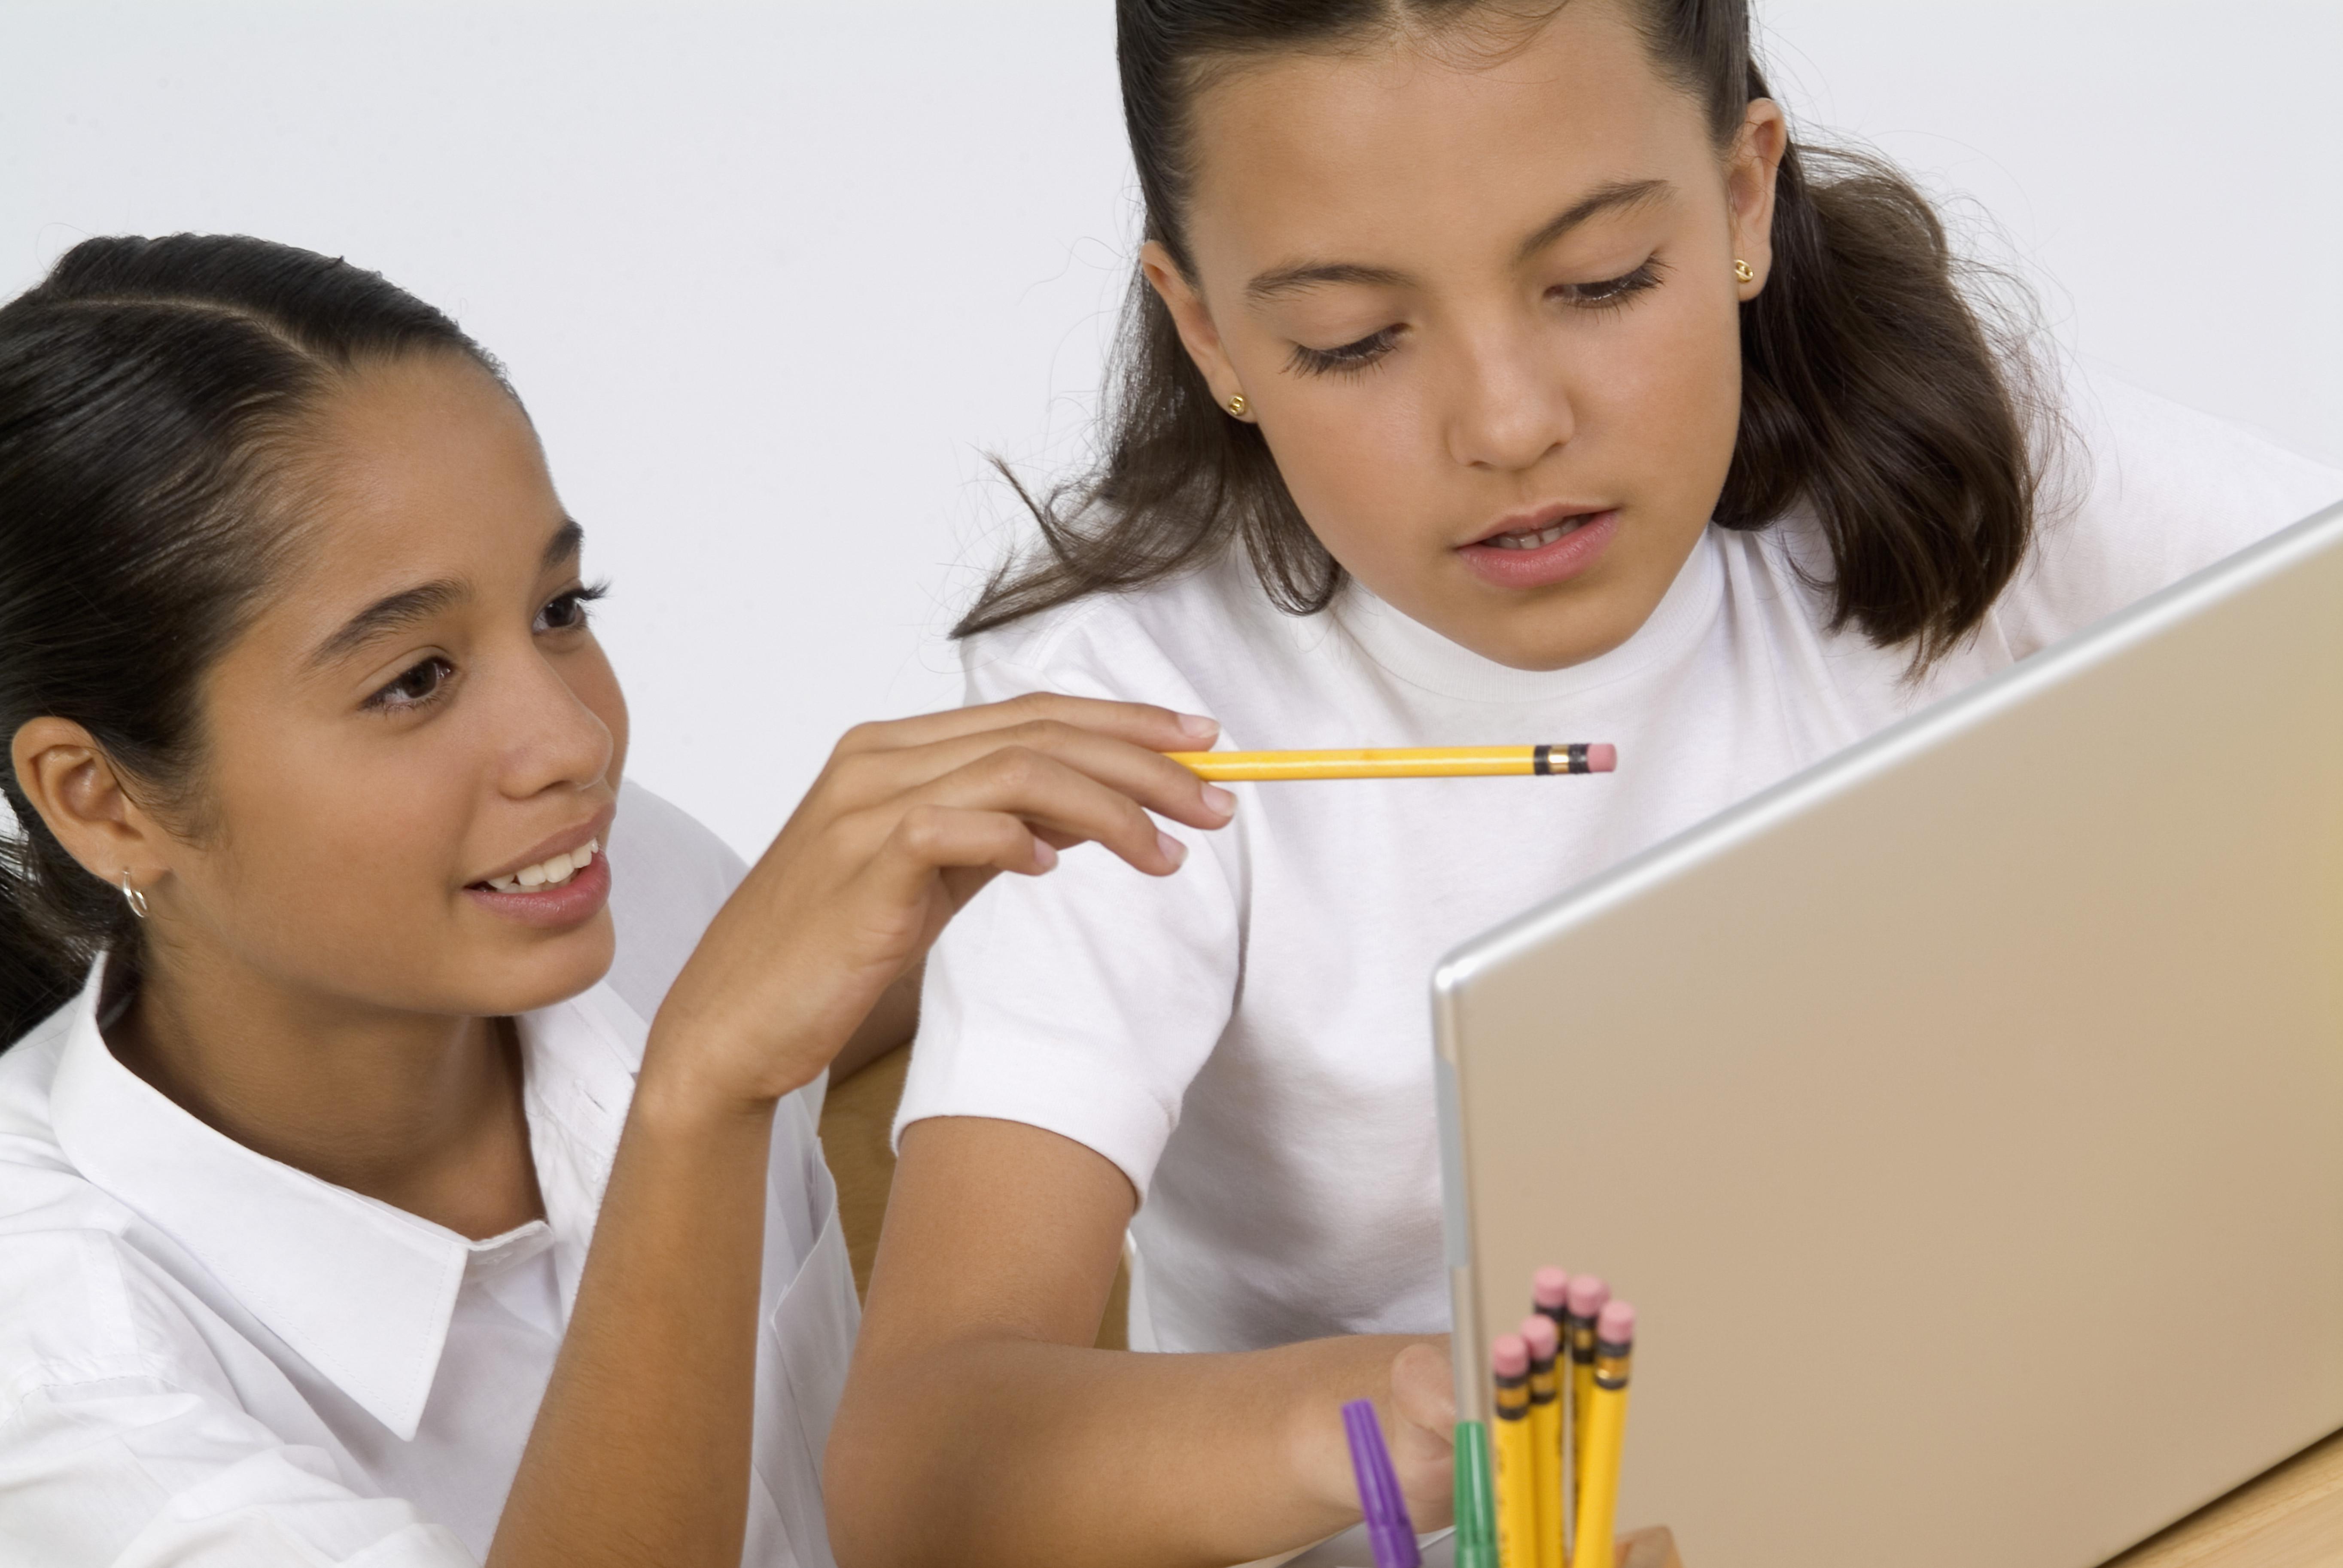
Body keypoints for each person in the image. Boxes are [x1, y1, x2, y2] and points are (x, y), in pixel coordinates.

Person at [827, 1, 2343, 1564]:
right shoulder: (1132, 720)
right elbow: (921, 1467)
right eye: (1352, 336)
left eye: (1603, 280)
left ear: (1746, 194)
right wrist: (1404, 1416)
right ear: (1209, 330)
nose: (1509, 423)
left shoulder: (1954, 446)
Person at [0, 233, 1233, 1567]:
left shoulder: (611, 881)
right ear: (101, 798)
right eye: (414, 678)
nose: (576, 743)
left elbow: (845, 989)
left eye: (558, 608)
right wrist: (698, 1094)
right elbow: (729, 1042)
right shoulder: (58, 1364)